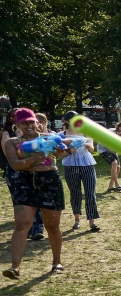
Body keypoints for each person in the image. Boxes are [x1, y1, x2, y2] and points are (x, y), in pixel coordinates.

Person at [2, 108, 66, 279]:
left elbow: (60, 154)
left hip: (49, 180)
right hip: (24, 182)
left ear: (37, 122)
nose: (29, 125)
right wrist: (32, 159)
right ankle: (15, 267)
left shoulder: (48, 138)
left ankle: (57, 261)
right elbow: (15, 165)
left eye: (32, 122)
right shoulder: (12, 143)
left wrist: (61, 148)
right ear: (17, 124)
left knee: (52, 225)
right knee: (22, 224)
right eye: (24, 122)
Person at [59, 111, 101, 232]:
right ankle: (77, 220)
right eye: (71, 119)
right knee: (75, 193)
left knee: (90, 192)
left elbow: (92, 149)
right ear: (66, 121)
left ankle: (92, 222)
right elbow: (59, 153)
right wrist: (68, 150)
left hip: (87, 164)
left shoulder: (86, 133)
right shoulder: (62, 134)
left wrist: (88, 146)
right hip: (70, 165)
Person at [99, 123, 121, 192]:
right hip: (103, 149)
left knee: (118, 167)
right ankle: (117, 184)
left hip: (113, 151)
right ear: (120, 127)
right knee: (114, 163)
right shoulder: (110, 131)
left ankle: (110, 186)